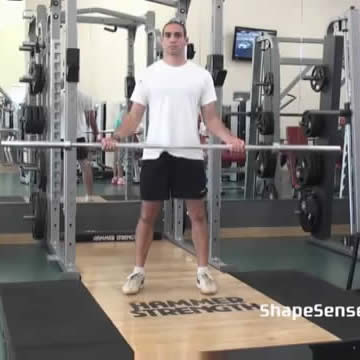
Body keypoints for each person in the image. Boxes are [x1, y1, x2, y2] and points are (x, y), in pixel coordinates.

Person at [102, 19, 245, 295]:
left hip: (189, 154)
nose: (172, 39)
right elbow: (134, 116)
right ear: (161, 41)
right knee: (147, 215)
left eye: (177, 35)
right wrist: (116, 138)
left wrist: (230, 139)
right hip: (155, 153)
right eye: (167, 35)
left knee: (198, 215)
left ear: (186, 40)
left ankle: (203, 272)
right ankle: (138, 272)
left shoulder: (201, 76)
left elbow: (212, 119)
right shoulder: (149, 75)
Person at [61, 84, 99, 201]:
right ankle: (90, 196)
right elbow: (92, 119)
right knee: (85, 165)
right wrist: (96, 133)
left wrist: (96, 135)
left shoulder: (59, 96)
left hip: (63, 137)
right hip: (79, 137)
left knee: (62, 167)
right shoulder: (84, 96)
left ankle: (63, 196)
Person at [111, 105, 126, 185]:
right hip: (121, 132)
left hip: (116, 131)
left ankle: (114, 177)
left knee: (116, 155)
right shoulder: (126, 113)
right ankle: (120, 177)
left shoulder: (121, 112)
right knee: (120, 155)